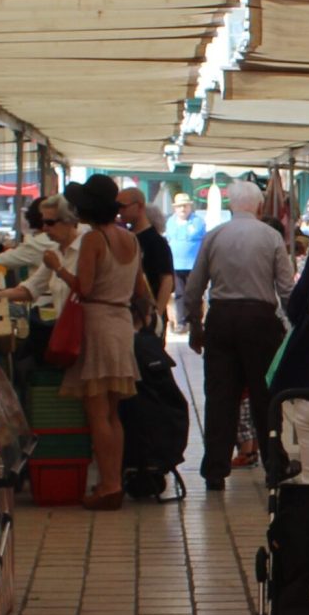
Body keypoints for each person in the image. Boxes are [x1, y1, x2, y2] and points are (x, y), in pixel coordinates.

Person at [184, 179, 295, 489]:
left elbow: (194, 286)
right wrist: (295, 324)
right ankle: (275, 465)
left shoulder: (214, 236)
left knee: (220, 396)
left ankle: (215, 471)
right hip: (260, 321)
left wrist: (195, 324)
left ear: (231, 205)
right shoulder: (271, 236)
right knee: (265, 396)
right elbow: (286, 289)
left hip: (221, 319)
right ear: (259, 206)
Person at [45, 176, 147, 511]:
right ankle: (113, 481)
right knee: (114, 413)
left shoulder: (93, 240)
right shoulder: (132, 239)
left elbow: (84, 288)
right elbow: (140, 291)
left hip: (97, 324)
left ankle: (108, 486)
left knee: (97, 413)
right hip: (120, 325)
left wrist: (58, 268)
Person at [122, 188, 176, 333]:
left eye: (123, 206)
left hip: (147, 315)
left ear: (139, 207)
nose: (120, 211)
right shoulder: (125, 237)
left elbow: (167, 280)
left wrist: (156, 314)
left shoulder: (156, 242)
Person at [166, 192, 205, 333]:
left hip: (194, 265)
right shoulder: (170, 222)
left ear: (190, 207)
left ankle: (195, 321)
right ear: (175, 208)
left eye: (185, 206)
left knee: (194, 293)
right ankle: (181, 322)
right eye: (179, 206)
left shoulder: (198, 222)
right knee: (179, 294)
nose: (183, 209)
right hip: (176, 265)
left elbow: (196, 237)